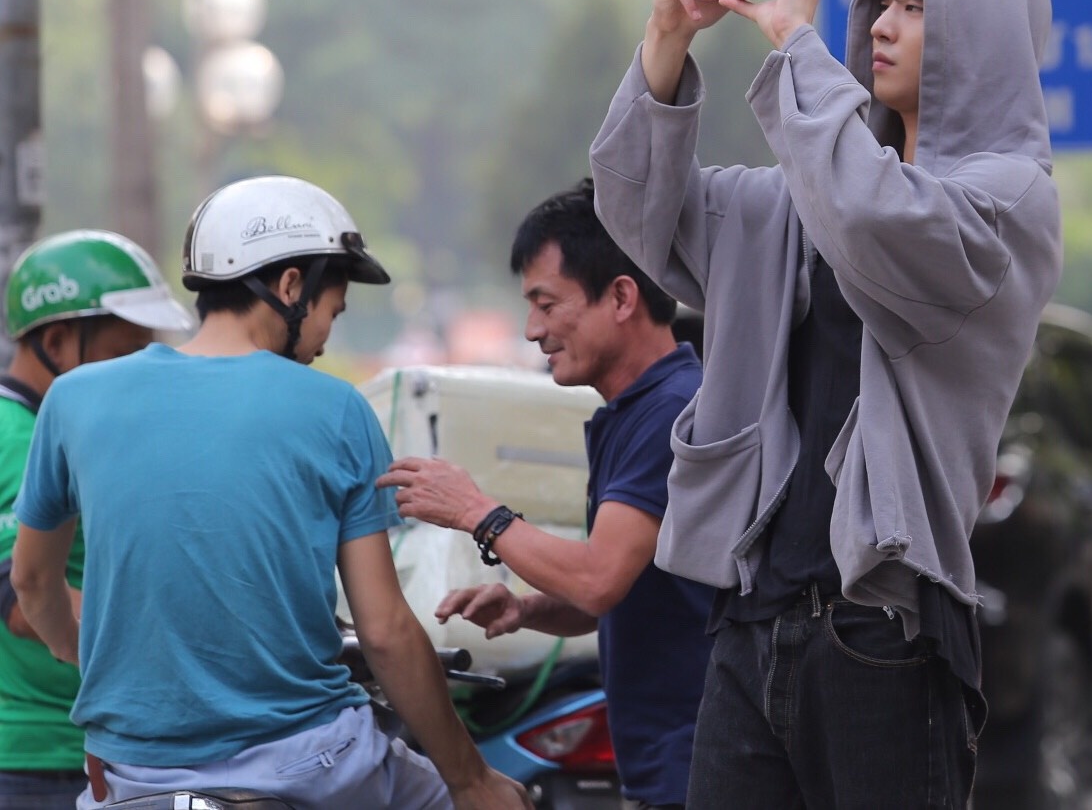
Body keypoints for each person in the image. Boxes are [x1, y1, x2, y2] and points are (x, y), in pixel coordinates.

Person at [587, 0, 1063, 809]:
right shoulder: (808, 192)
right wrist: (667, 36)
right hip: (751, 620)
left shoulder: (1010, 198)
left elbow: (874, 217)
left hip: (881, 631)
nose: (882, 24)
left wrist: (797, 44)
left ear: (983, 40)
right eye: (881, 2)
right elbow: (640, 209)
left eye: (915, 8)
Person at [11, 176, 530, 810]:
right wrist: (471, 779)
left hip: (130, 776)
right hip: (313, 765)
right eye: (330, 314)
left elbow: (35, 585)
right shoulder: (335, 408)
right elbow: (386, 631)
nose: (325, 341)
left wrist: (95, 674)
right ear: (290, 287)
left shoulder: (72, 400)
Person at [377, 179, 711, 810]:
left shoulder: (671, 410)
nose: (533, 329)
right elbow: (623, 590)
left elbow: (598, 580)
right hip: (665, 758)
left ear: (620, 297)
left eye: (547, 303)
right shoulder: (630, 412)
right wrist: (528, 610)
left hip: (695, 760)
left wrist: (477, 512)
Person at [0, 229, 194, 809]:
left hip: (88, 747)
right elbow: (22, 601)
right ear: (57, 342)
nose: (138, 371)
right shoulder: (16, 439)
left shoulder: (66, 432)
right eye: (120, 352)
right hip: (40, 760)